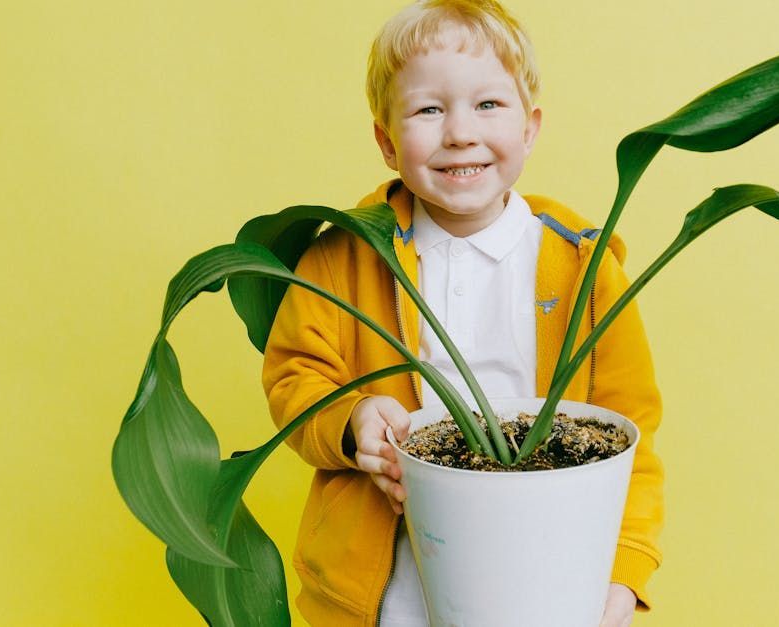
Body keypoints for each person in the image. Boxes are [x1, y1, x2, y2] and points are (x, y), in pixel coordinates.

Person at [261, 1, 663, 624]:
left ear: (530, 128)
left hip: (547, 565)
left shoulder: (585, 268)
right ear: (386, 141)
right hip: (395, 580)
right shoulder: (346, 255)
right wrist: (353, 418)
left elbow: (630, 433)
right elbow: (294, 376)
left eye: (488, 105)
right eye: (428, 109)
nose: (459, 133)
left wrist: (623, 574)